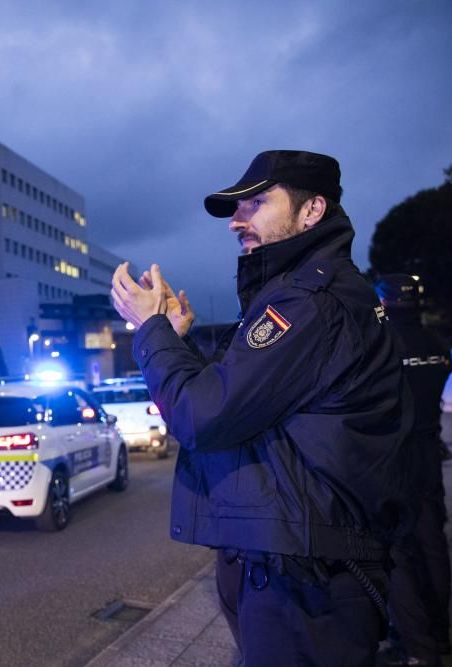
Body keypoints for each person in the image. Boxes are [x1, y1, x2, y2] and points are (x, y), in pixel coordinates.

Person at [111, 150, 413, 666]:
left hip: (304, 578)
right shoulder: (302, 293)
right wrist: (178, 343)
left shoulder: (308, 301)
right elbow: (239, 400)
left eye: (255, 202)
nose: (236, 221)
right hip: (296, 562)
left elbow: (201, 417)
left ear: (312, 210)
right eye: (237, 207)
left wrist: (152, 330)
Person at [375, 274, 452, 667]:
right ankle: (440, 637)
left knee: (398, 552)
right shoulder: (438, 345)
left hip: (396, 456)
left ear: (385, 304)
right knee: (434, 544)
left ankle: (417, 647)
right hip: (429, 451)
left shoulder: (383, 345)